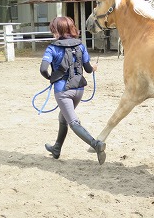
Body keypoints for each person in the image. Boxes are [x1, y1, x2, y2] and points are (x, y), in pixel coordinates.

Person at [39, 16, 106, 165]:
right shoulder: (80, 45)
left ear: (57, 30)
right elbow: (88, 69)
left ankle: (96, 144)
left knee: (73, 122)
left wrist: (51, 77)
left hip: (63, 92)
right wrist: (94, 67)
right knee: (63, 117)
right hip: (79, 91)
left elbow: (43, 69)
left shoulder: (52, 48)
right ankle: (56, 148)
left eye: (53, 30)